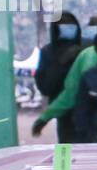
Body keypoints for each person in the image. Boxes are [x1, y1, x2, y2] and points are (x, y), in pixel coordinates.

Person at [32, 27, 97, 138]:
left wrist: (45, 117)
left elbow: (70, 94)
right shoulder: (89, 66)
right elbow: (72, 95)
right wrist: (46, 117)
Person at [33, 12, 83, 142]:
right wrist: (61, 62)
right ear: (55, 28)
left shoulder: (87, 48)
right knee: (67, 150)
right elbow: (45, 87)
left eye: (71, 23)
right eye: (63, 24)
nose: (68, 26)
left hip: (91, 110)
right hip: (64, 113)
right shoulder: (48, 52)